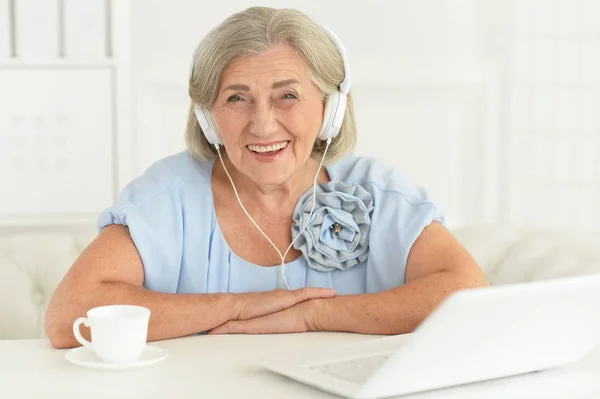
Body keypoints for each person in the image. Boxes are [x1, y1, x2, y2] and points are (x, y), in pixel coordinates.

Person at [45, 6, 489, 349]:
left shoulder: (377, 191)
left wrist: (312, 315)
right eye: (237, 98)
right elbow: (68, 317)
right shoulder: (168, 197)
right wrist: (239, 304)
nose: (262, 125)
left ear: (329, 109)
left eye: (287, 96)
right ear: (209, 117)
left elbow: (470, 296)